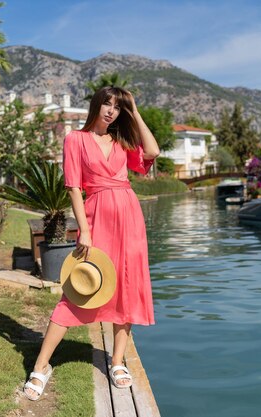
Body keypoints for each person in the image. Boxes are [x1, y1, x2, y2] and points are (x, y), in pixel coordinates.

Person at [23, 86, 160, 401]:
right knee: (78, 289)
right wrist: (83, 230)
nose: (111, 111)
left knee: (125, 285)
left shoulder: (122, 141)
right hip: (96, 217)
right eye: (106, 104)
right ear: (96, 106)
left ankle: (116, 361)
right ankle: (41, 366)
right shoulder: (75, 139)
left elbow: (152, 152)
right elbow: (73, 188)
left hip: (130, 218)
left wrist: (135, 110)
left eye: (117, 107)